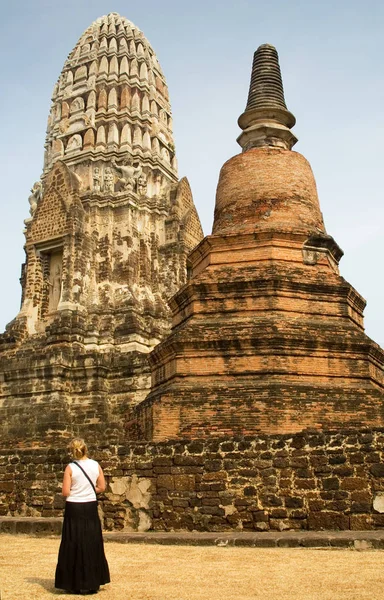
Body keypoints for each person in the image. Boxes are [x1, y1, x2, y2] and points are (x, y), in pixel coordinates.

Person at [55, 438, 110, 595]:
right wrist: (88, 489)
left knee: (73, 542)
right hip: (90, 505)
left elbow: (65, 492)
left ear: (72, 451)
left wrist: (77, 490)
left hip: (74, 507)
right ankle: (92, 581)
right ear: (86, 449)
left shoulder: (70, 467)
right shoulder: (95, 465)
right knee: (91, 541)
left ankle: (73, 582)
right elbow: (102, 487)